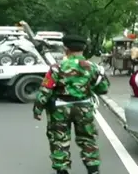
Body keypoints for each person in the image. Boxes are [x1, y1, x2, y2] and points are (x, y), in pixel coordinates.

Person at [32, 35, 110, 174]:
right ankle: (93, 170)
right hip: (84, 108)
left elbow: (46, 89)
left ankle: (62, 170)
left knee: (59, 140)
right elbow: (103, 88)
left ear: (65, 49)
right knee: (87, 139)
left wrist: (38, 109)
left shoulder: (57, 68)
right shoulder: (94, 68)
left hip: (59, 109)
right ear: (84, 48)